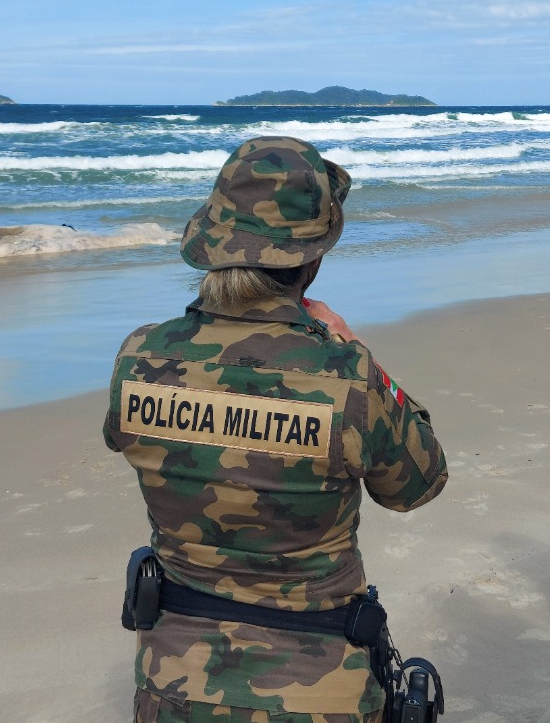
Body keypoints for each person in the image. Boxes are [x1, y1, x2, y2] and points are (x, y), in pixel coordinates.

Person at [104, 136, 448, 723]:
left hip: (173, 686)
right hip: (318, 693)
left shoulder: (141, 356)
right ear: (311, 258)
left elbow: (127, 436)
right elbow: (420, 483)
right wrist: (355, 351)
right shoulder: (346, 376)